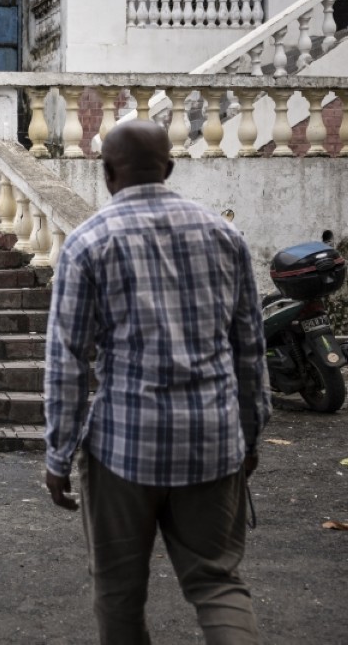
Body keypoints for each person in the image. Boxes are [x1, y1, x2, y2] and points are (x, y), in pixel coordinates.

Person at [43, 120, 270, 644]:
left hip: (123, 446)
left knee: (118, 593)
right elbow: (249, 349)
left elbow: (67, 362)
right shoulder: (224, 235)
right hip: (212, 440)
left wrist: (58, 455)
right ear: (168, 168)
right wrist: (250, 436)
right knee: (218, 583)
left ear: (106, 172)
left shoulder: (88, 243)